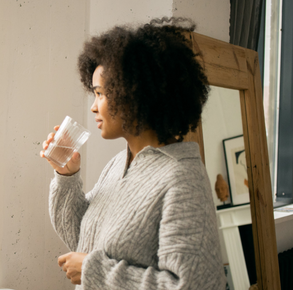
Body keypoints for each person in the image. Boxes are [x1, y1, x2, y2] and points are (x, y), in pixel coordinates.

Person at [40, 17, 224, 290]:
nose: (93, 107)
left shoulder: (182, 180)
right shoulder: (119, 165)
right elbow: (82, 238)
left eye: (100, 94)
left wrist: (95, 271)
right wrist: (66, 176)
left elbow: (194, 285)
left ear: (134, 94)